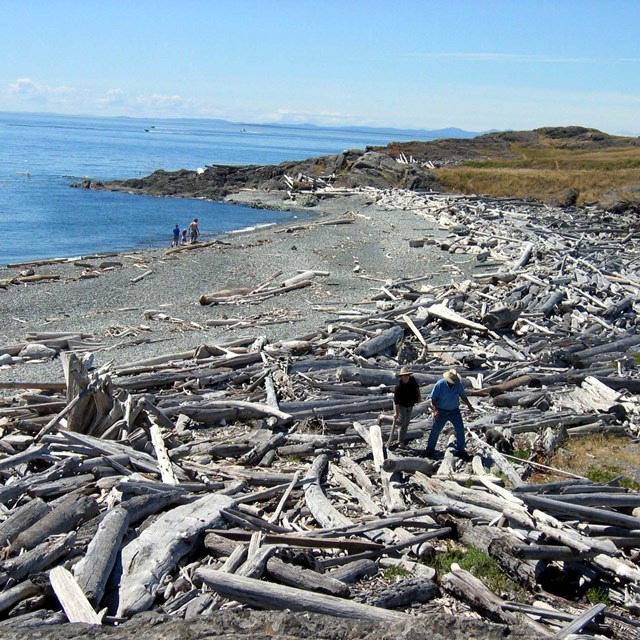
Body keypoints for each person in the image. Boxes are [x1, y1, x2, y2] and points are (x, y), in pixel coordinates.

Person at [426, 368, 474, 458]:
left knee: (460, 430)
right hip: (441, 411)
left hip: (454, 411)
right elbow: (433, 399)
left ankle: (461, 450)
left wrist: (469, 405)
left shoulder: (458, 385)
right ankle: (429, 450)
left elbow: (463, 396)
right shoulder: (440, 384)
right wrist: (435, 411)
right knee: (435, 431)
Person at [392, 366, 421, 447]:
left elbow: (417, 388)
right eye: (404, 375)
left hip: (410, 404)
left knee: (406, 423)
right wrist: (396, 413)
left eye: (407, 375)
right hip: (401, 405)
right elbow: (396, 402)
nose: (406, 377)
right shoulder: (398, 387)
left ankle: (401, 441)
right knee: (401, 421)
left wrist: (419, 397)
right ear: (401, 376)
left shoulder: (412, 380)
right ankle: (384, 417)